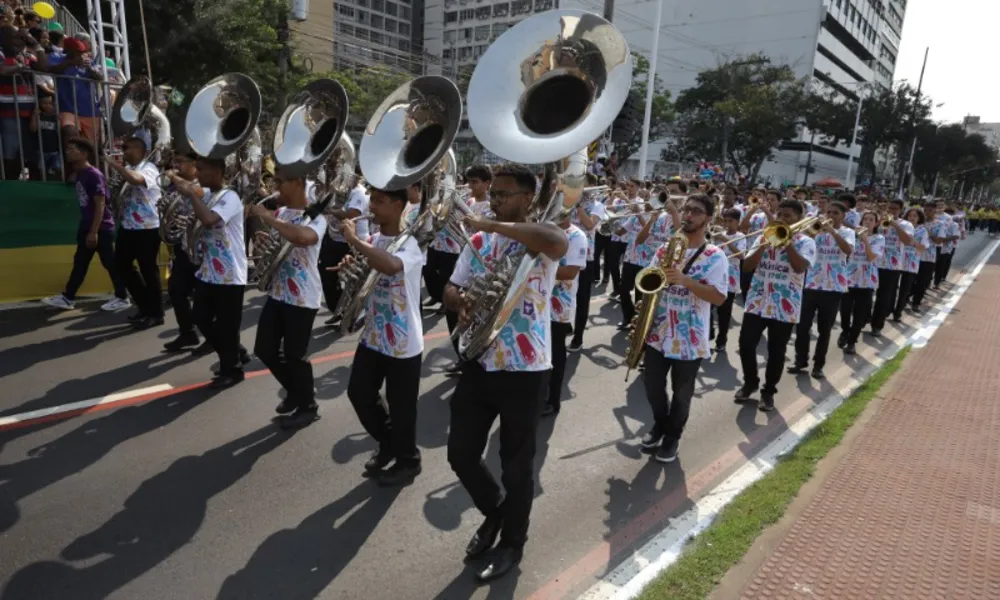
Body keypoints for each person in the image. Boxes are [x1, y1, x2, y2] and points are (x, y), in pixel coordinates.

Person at [443, 162, 568, 582]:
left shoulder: (537, 242)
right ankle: (495, 512)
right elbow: (451, 285)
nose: (492, 200)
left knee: (516, 466)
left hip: (524, 369)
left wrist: (492, 224)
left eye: (502, 195)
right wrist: (459, 299)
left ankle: (513, 543)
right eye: (492, 194)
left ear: (528, 199)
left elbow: (556, 240)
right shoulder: (478, 239)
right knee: (460, 452)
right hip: (480, 362)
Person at [343, 186, 425, 486]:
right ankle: (390, 443)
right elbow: (371, 272)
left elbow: (391, 266)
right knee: (359, 394)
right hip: (375, 335)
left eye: (378, 201)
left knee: (402, 408)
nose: (372, 206)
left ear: (398, 205)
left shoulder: (410, 244)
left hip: (403, 342)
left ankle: (408, 461)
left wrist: (353, 241)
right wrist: (351, 268)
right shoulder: (375, 239)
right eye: (371, 200)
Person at [640, 194, 727, 462]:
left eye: (696, 211)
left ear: (708, 219)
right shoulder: (665, 249)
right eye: (686, 209)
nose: (688, 215)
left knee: (681, 394)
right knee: (652, 386)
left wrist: (685, 280)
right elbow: (648, 282)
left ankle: (672, 436)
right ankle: (660, 422)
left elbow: (719, 298)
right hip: (659, 332)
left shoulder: (715, 256)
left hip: (689, 337)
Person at [249, 168, 327, 428]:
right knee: (265, 349)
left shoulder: (317, 217)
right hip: (279, 292)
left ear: (298, 182)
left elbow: (301, 237)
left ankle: (308, 406)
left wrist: (267, 219)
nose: (276, 185)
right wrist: (265, 243)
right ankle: (297, 391)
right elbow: (282, 244)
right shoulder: (282, 213)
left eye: (281, 181)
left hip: (303, 297)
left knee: (295, 355)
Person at [735, 200, 816, 411]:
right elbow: (747, 267)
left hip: (785, 304)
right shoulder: (764, 236)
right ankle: (750, 382)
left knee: (776, 351)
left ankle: (769, 391)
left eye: (787, 216)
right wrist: (763, 243)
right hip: (758, 300)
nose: (781, 219)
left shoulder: (806, 242)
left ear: (799, 218)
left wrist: (786, 241)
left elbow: (799, 268)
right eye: (779, 214)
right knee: (745, 344)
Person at [41, 137, 129, 311]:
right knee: (81, 262)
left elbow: (101, 204)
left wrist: (94, 231)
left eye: (72, 150)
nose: (68, 153)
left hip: (100, 227)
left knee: (109, 263)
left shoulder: (94, 175)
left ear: (84, 153)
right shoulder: (80, 173)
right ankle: (68, 297)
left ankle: (123, 297)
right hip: (88, 226)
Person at [190, 156, 248, 389]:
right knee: (200, 318)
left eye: (201, 170)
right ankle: (235, 351)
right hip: (209, 271)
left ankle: (232, 370)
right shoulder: (210, 194)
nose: (197, 174)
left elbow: (208, 220)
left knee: (227, 326)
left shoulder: (230, 197)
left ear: (216, 171)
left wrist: (191, 194)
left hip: (230, 274)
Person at [789, 201, 854, 380]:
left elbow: (847, 250)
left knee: (824, 330)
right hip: (811, 283)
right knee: (802, 327)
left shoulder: (847, 232)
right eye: (828, 212)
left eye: (835, 213)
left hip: (833, 287)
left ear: (843, 216)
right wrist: (813, 230)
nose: (831, 216)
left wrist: (832, 232)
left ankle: (818, 365)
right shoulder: (815, 232)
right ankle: (800, 360)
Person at [105, 136, 164, 328]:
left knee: (149, 270)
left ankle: (156, 313)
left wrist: (114, 165)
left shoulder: (149, 168)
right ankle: (144, 305)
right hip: (129, 226)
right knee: (121, 265)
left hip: (148, 228)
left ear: (141, 151)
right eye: (123, 148)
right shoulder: (129, 168)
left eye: (128, 148)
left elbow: (135, 180)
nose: (124, 152)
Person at [544, 216, 587, 417]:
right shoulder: (541, 229)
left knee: (555, 353)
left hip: (558, 306)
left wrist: (533, 270)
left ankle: (552, 400)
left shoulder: (577, 236)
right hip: (535, 303)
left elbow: (570, 272)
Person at [161, 150, 204, 351]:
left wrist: (174, 176)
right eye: (175, 161)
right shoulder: (173, 185)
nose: (176, 165)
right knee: (177, 290)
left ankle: (227, 345)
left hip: (203, 249)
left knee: (205, 299)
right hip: (183, 246)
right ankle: (187, 333)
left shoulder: (202, 183)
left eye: (181, 161)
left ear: (194, 164)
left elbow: (193, 191)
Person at [319, 169, 368, 326]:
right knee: (327, 276)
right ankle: (338, 311)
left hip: (352, 243)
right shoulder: (339, 190)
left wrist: (328, 209)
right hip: (333, 239)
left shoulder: (359, 193)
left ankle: (352, 314)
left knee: (351, 281)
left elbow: (351, 214)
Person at [839, 211, 883, 355]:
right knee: (844, 311)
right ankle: (845, 331)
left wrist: (865, 240)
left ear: (876, 223)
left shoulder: (879, 238)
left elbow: (871, 258)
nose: (867, 222)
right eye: (865, 219)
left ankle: (852, 342)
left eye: (871, 220)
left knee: (859, 315)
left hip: (867, 281)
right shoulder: (852, 236)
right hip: (849, 278)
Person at [568, 185, 606, 351]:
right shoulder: (569, 203)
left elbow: (590, 225)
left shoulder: (598, 206)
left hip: (586, 257)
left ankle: (578, 337)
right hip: (566, 255)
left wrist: (578, 207)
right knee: (566, 296)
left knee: (582, 299)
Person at [869, 199, 914, 337]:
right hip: (873, 262)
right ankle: (866, 317)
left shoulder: (906, 224)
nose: (891, 211)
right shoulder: (880, 221)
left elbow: (907, 241)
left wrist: (894, 224)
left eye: (895, 209)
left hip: (891, 265)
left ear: (900, 210)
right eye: (890, 208)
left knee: (884, 296)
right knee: (866, 294)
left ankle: (877, 325)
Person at [710, 208, 745, 352]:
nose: (727, 224)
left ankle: (721, 340)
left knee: (724, 314)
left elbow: (741, 256)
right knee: (708, 309)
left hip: (730, 280)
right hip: (714, 278)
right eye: (726, 221)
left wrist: (726, 240)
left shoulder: (740, 236)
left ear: (737, 222)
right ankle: (709, 333)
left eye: (731, 221)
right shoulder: (719, 235)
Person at [897, 206, 930, 319]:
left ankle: (898, 312)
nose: (912, 218)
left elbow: (923, 247)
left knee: (904, 290)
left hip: (911, 263)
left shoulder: (922, 230)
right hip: (896, 261)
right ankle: (889, 308)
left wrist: (913, 242)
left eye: (915, 216)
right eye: (910, 215)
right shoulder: (901, 226)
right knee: (892, 290)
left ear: (919, 218)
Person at [934, 207, 961, 288]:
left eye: (950, 214)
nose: (947, 216)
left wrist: (944, 240)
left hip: (946, 248)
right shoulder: (937, 222)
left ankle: (938, 282)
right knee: (933, 266)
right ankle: (928, 282)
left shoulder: (955, 224)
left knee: (942, 265)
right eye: (946, 214)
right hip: (936, 247)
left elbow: (956, 236)